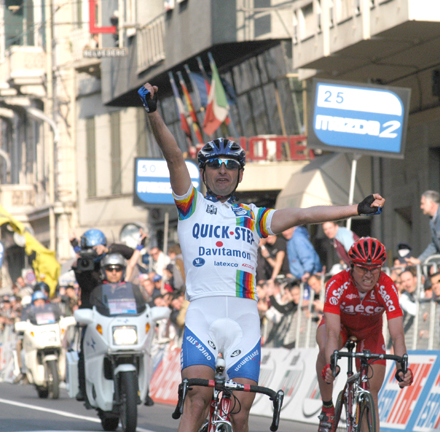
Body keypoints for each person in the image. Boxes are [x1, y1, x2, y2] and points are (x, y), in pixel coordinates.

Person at [138, 83, 386, 432]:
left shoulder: (253, 216)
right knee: (197, 398)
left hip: (244, 319)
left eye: (230, 166)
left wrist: (355, 208)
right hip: (202, 315)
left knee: (241, 415)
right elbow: (174, 156)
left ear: (239, 174)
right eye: (214, 165)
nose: (222, 171)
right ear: (204, 172)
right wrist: (152, 113)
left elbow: (301, 214)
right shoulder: (190, 205)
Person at [318, 238, 413, 432]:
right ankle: (327, 406)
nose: (369, 275)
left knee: (371, 394)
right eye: (363, 268)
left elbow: (397, 335)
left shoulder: (387, 286)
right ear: (352, 266)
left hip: (370, 333)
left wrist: (402, 367)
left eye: (375, 269)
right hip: (341, 328)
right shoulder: (337, 283)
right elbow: (333, 332)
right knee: (325, 344)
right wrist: (332, 365)